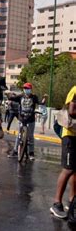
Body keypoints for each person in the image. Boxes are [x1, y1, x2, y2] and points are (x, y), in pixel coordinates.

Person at [50, 85, 76, 219]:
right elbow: (72, 111)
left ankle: (72, 201)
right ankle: (56, 203)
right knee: (68, 169)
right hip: (69, 135)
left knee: (74, 169)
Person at [7, 83, 39, 160]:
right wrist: (8, 95)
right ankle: (15, 151)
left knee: (30, 136)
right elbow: (12, 98)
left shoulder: (34, 97)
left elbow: (40, 103)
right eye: (25, 88)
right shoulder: (21, 96)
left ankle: (31, 153)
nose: (26, 90)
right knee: (19, 135)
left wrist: (44, 100)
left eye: (27, 88)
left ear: (31, 89)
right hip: (22, 118)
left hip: (31, 119)